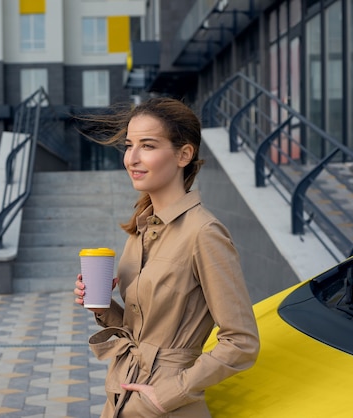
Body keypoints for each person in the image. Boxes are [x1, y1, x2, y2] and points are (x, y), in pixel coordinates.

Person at [73, 97, 260, 417]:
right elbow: (142, 332)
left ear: (183, 154)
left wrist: (170, 392)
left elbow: (241, 343)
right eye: (129, 145)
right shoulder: (140, 231)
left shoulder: (204, 233)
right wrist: (103, 306)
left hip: (166, 406)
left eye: (147, 145)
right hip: (121, 396)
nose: (132, 157)